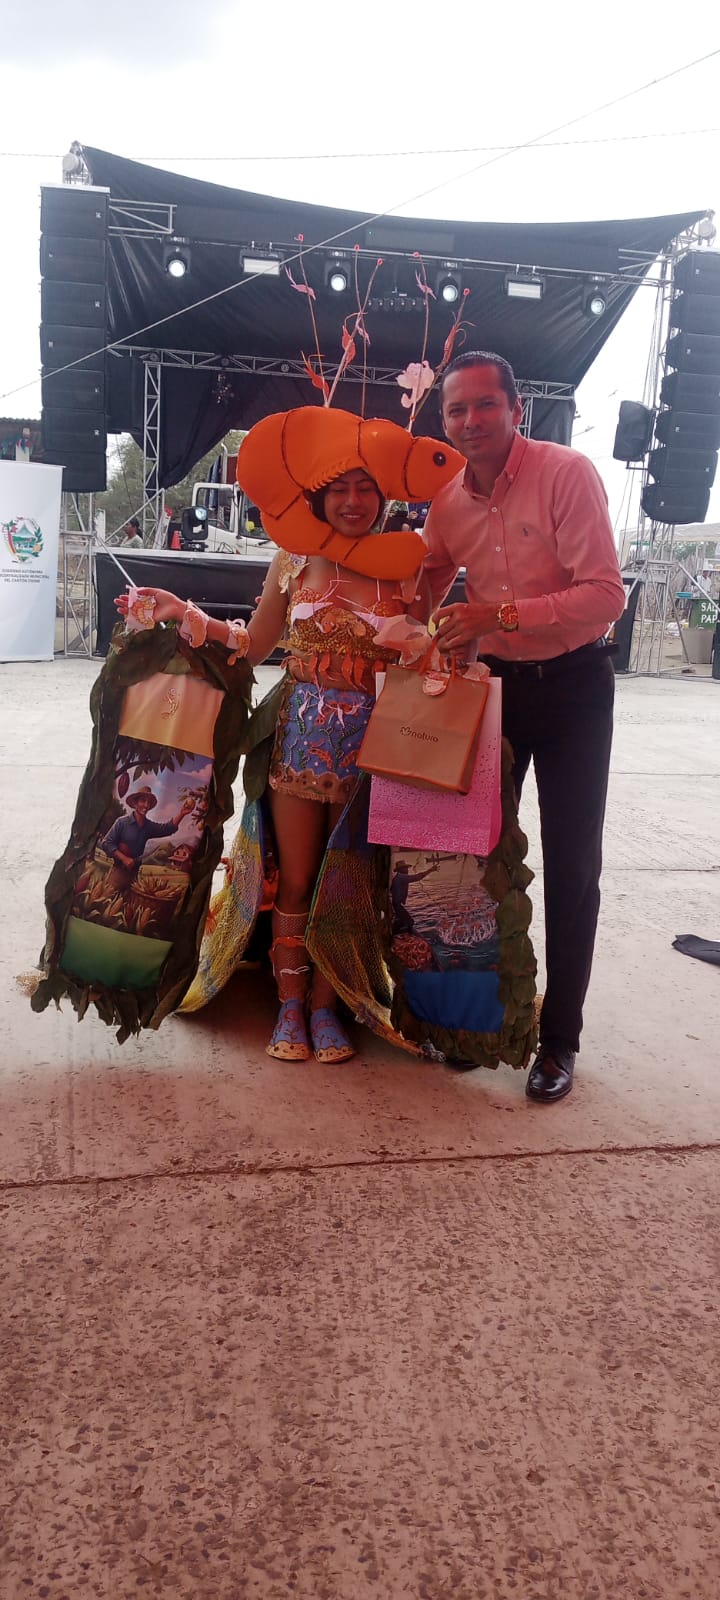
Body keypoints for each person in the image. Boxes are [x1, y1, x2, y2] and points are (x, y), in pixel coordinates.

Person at [117, 465, 432, 1064]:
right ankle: (290, 1004)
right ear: (320, 496)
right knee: (296, 876)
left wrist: (433, 647)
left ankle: (326, 1006)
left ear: (385, 496)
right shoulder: (293, 559)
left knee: (348, 879)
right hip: (297, 743)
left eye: (366, 489)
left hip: (375, 751)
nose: (353, 502)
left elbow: (423, 654)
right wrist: (184, 611)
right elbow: (253, 644)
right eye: (339, 489)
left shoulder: (406, 564)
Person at [423, 350, 626, 1104]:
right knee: (475, 861)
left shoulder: (565, 474)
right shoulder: (447, 504)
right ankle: (481, 1022)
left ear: (516, 409)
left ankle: (559, 1038)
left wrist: (497, 615)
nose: (471, 420)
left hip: (575, 689)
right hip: (497, 693)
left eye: (486, 405)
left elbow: (605, 594)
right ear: (443, 421)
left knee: (573, 867)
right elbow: (424, 586)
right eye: (456, 409)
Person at [99, 785, 196, 881]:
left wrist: (182, 813)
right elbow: (106, 843)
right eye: (143, 801)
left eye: (149, 802)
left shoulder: (148, 827)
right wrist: (124, 858)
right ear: (135, 803)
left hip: (133, 875)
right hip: (117, 873)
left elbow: (167, 829)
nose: (146, 805)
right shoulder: (122, 822)